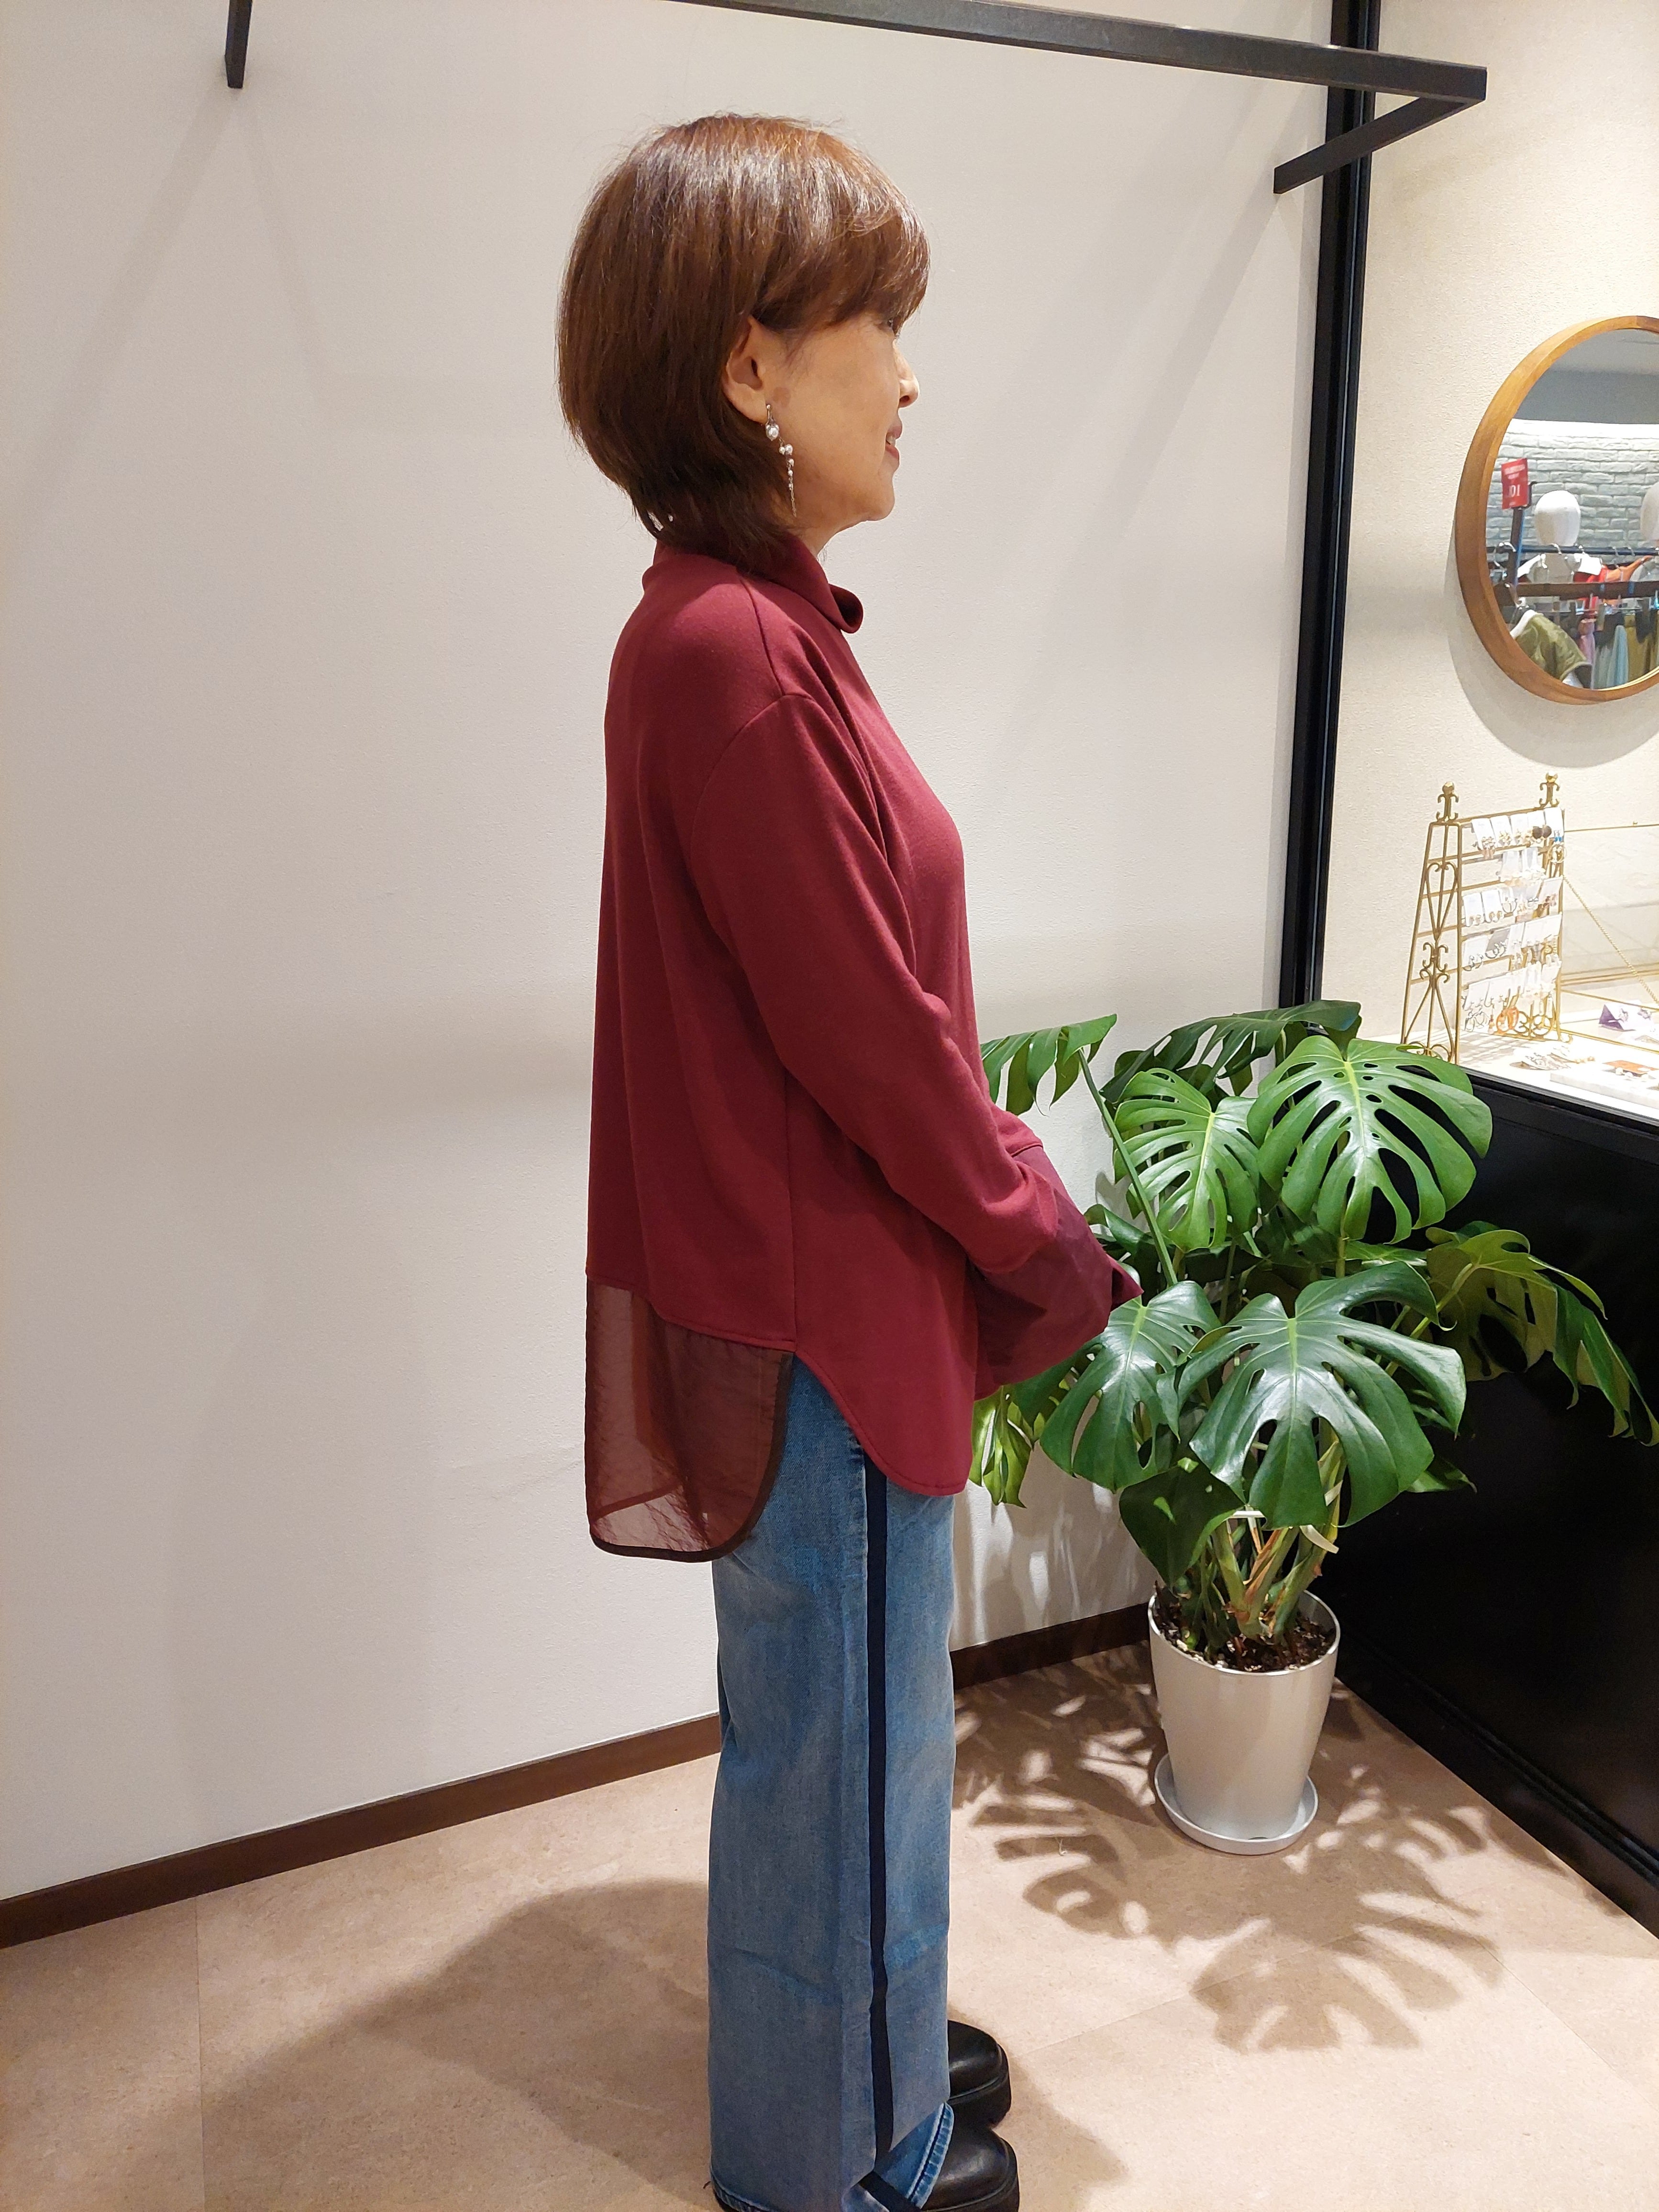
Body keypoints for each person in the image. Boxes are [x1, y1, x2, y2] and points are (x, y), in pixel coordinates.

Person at [558, 114, 1137, 2212]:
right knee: (835, 1751)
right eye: (873, 326)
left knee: (858, 1731)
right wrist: (1040, 1234)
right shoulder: (731, 651)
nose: (908, 374)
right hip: (820, 1311)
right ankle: (834, 2162)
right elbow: (874, 1044)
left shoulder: (761, 629)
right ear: (748, 368)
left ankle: (876, 2051)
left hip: (822, 1290)